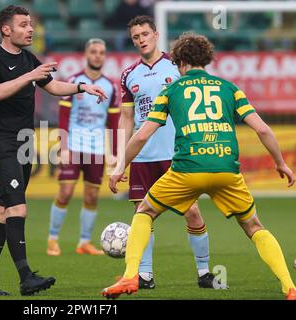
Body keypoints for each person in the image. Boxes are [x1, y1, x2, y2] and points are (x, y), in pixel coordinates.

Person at [103, 32, 296, 300]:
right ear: (206, 58)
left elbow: (143, 134)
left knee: (145, 211)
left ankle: (131, 276)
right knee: (254, 226)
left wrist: (120, 165)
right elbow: (263, 130)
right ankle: (289, 287)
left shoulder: (170, 91)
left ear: (180, 61)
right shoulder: (230, 88)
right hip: (226, 170)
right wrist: (280, 163)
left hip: (188, 170)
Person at [0, 5, 108, 297]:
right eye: (24, 25)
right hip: (2, 143)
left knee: (1, 212)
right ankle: (25, 278)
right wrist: (29, 75)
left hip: (24, 143)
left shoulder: (28, 59)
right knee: (18, 208)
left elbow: (52, 86)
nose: (31, 29)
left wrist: (83, 88)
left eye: (31, 24)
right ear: (6, 29)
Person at [118, 15, 218, 289]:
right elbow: (126, 119)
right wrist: (121, 157)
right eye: (136, 37)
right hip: (142, 156)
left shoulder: (176, 67)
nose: (141, 40)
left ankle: (204, 272)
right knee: (142, 214)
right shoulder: (128, 74)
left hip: (176, 153)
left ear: (156, 34)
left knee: (193, 211)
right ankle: (146, 275)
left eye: (145, 34)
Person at [47, 38, 119, 256]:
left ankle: (84, 242)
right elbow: (64, 115)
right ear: (86, 55)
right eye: (94, 51)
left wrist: (114, 152)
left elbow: (114, 122)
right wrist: (64, 146)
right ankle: (53, 238)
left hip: (97, 149)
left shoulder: (111, 87)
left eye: (101, 52)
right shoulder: (74, 81)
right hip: (74, 145)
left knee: (91, 197)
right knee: (66, 192)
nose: (98, 55)